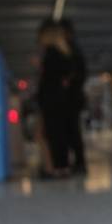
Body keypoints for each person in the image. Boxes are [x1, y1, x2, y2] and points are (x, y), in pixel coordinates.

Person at [36, 19, 74, 178]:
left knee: (51, 133)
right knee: (60, 133)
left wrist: (40, 66)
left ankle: (54, 168)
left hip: (50, 99)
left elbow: (46, 79)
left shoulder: (50, 53)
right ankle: (62, 166)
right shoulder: (65, 53)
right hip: (61, 99)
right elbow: (66, 78)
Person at [58, 18, 88, 174]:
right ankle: (78, 162)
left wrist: (68, 82)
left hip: (71, 98)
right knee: (72, 130)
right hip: (72, 97)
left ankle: (79, 162)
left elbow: (80, 74)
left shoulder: (71, 50)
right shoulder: (71, 48)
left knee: (72, 130)